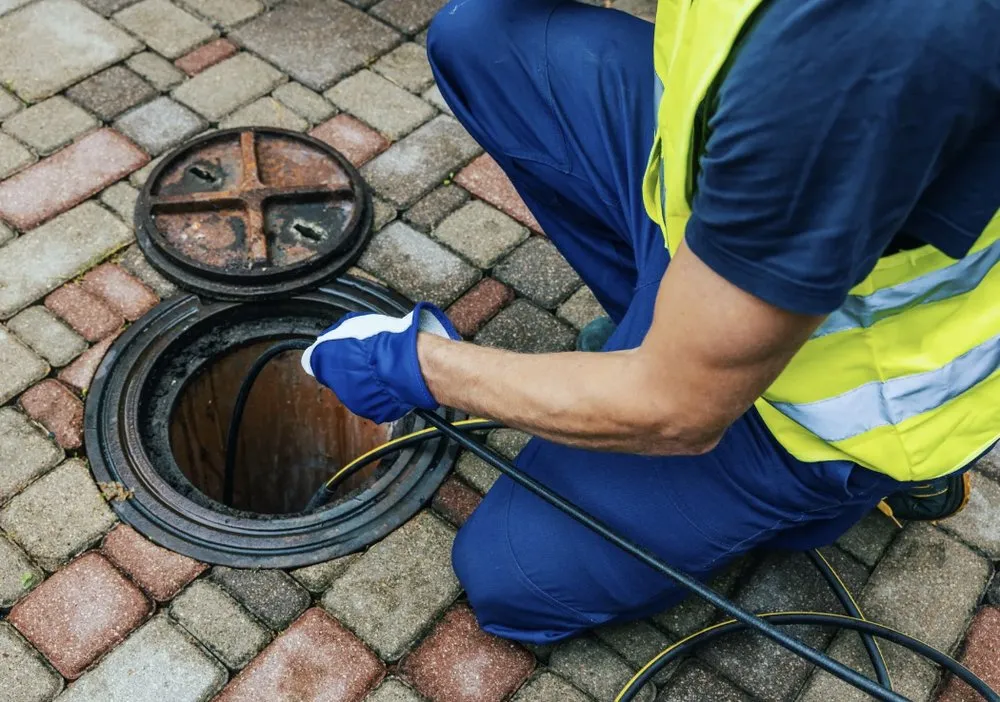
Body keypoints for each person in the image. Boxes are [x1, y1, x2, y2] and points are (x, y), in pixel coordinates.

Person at [302, 0, 1000, 644]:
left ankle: (833, 499)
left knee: (514, 576)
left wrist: (418, 365)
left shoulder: (860, 47)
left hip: (831, 401)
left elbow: (679, 411)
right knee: (480, 37)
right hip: (735, 208)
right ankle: (675, 330)